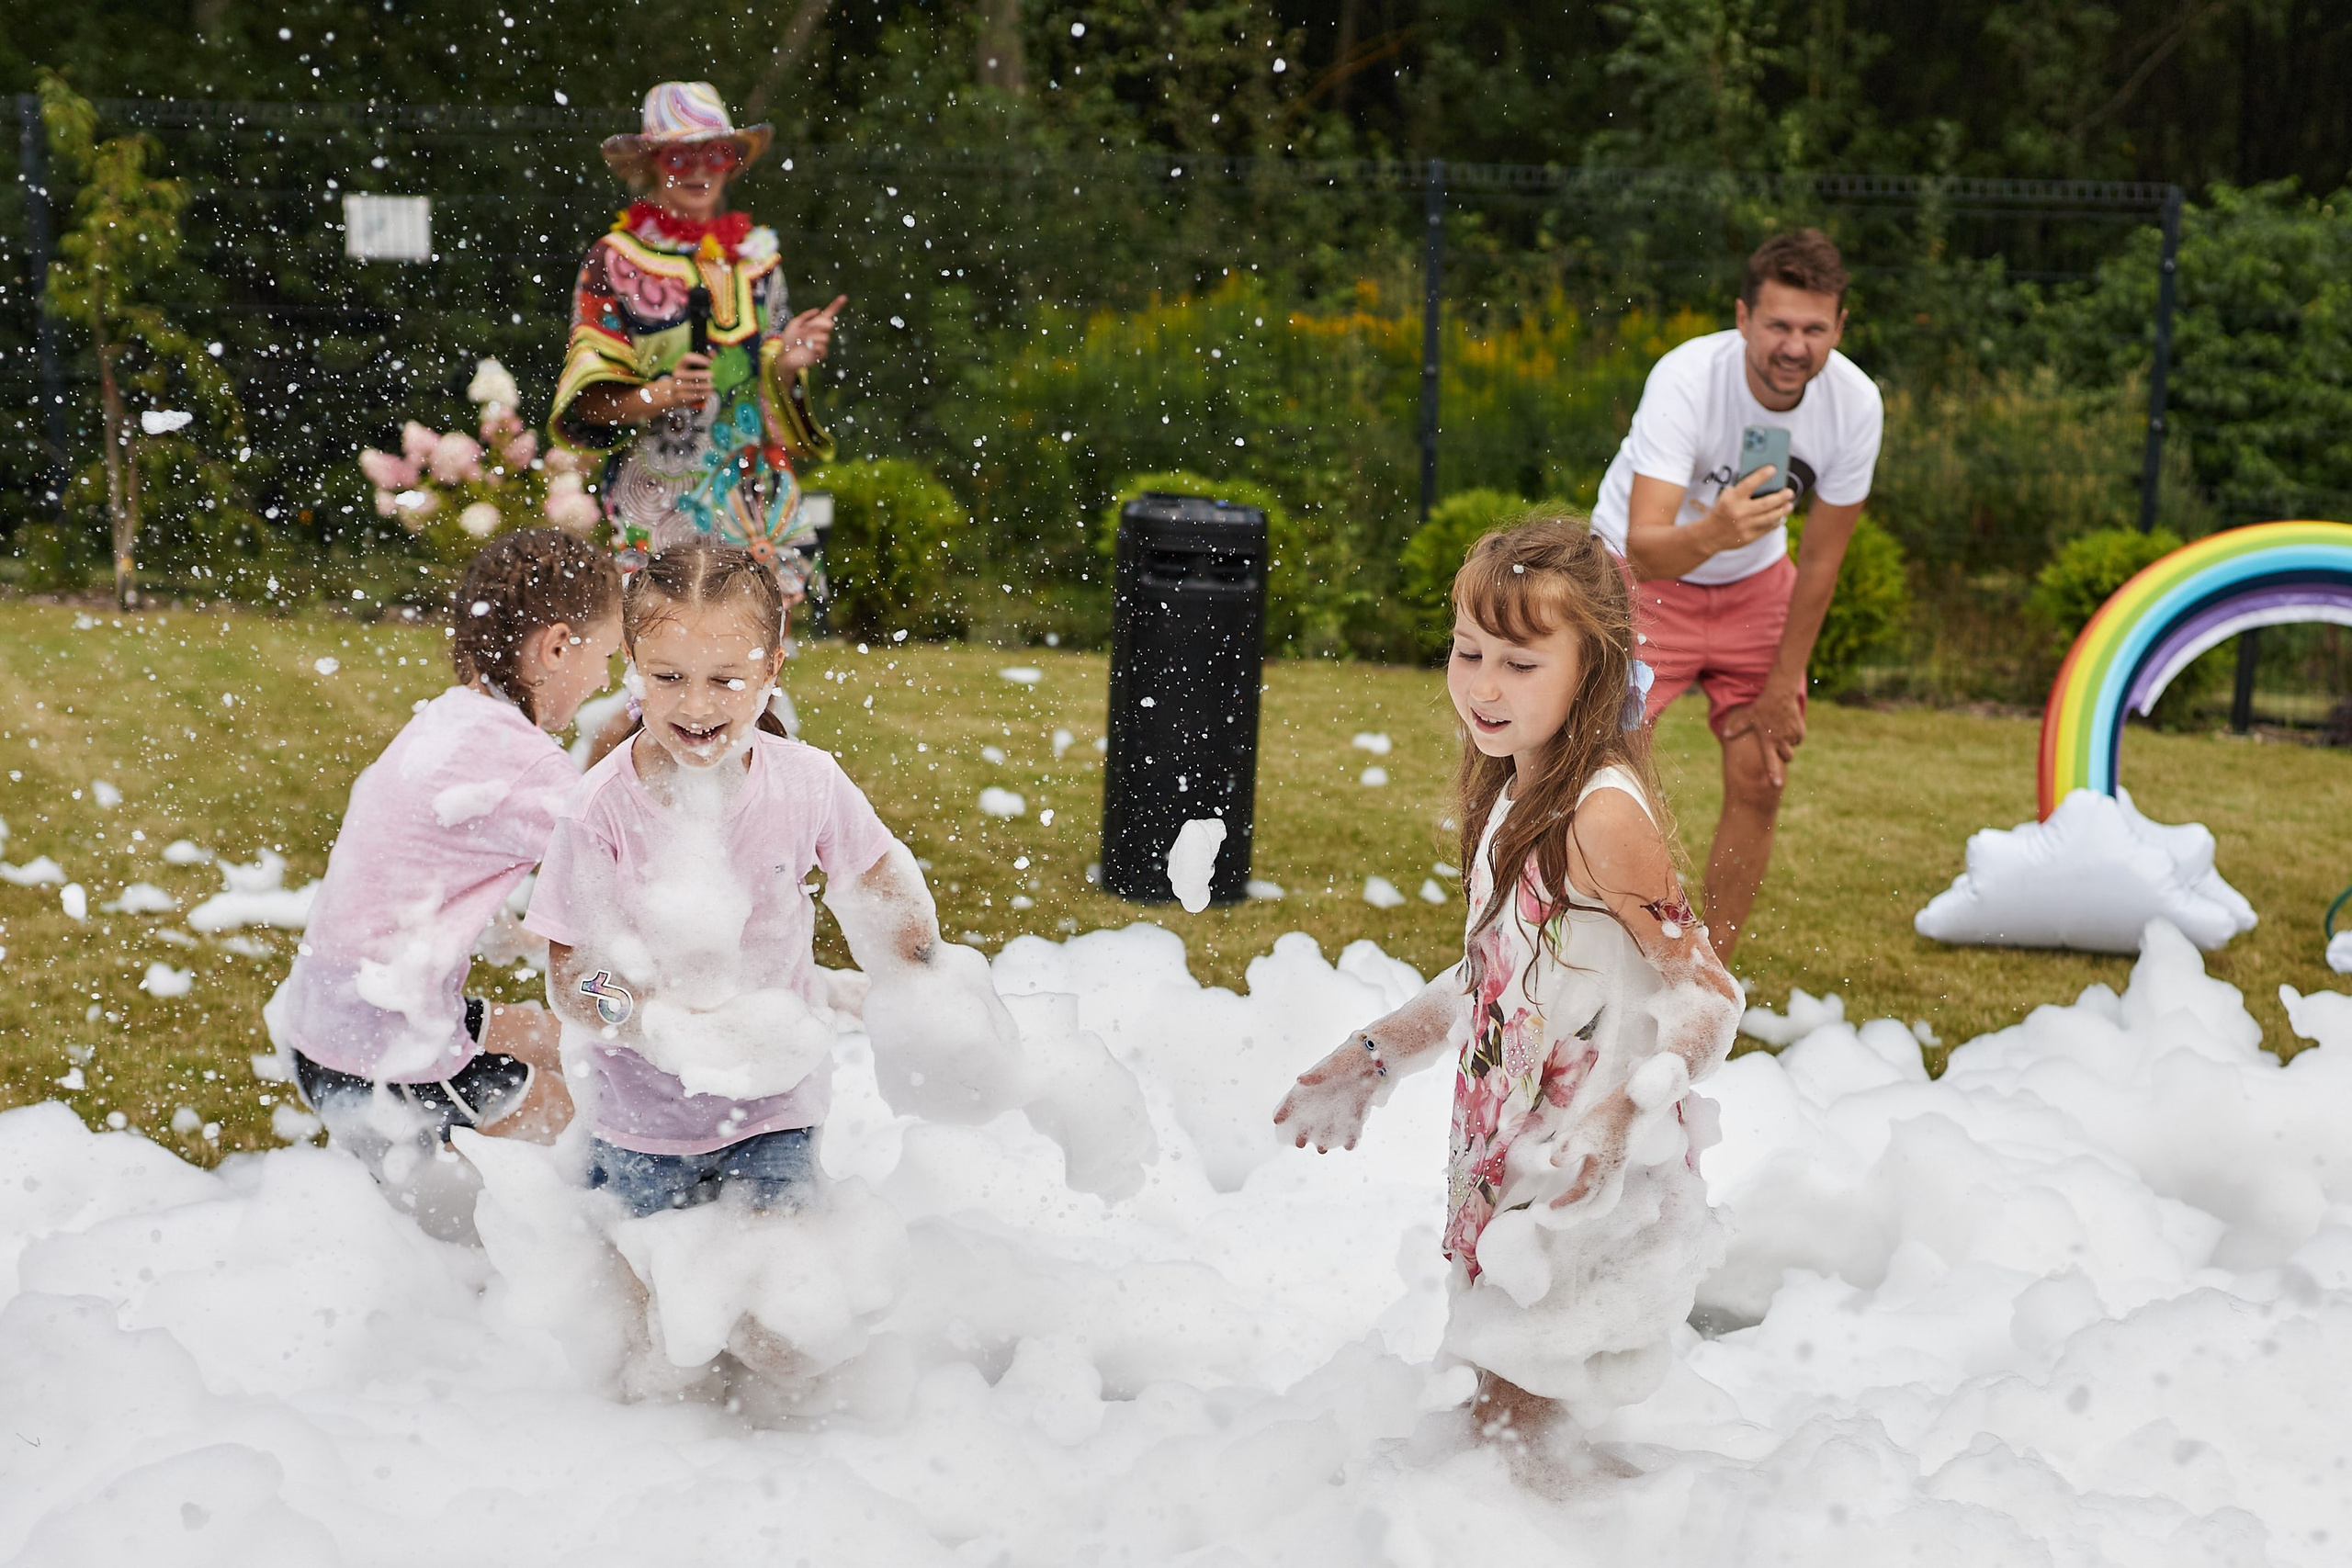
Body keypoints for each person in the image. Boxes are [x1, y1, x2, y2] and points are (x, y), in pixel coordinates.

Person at [1272, 518, 1742, 1467]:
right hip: (1519, 1152)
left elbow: (1709, 997)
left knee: (1518, 1429)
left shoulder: (1602, 816)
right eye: (1468, 651)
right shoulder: (1510, 793)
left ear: (1592, 672)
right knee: (1503, 1418)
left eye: (1521, 663)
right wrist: (1375, 1054)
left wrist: (1612, 1122)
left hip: (1584, 1174)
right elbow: (1498, 973)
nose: (1484, 684)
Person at [525, 542, 944, 1216]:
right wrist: (648, 1022)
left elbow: (883, 890)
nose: (695, 706)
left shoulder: (808, 782)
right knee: (651, 1302)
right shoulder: (599, 809)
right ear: (631, 667)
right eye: (667, 677)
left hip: (777, 1104)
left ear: (771, 670)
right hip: (642, 1125)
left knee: (774, 1289)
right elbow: (576, 977)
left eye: (724, 680)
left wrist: (935, 985)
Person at [265, 530, 623, 1178]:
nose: (604, 677)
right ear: (557, 647)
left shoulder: (453, 718)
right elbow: (621, 873)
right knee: (608, 1129)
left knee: (553, 1035)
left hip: (327, 1025)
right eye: (605, 656)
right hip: (382, 1062)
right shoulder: (526, 767)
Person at [1589, 229, 1883, 959]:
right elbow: (1648, 544)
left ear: (1839, 328)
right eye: (1779, 324)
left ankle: (1705, 979)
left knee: (1763, 770)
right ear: (1743, 317)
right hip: (1640, 580)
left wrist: (1785, 681)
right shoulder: (1688, 378)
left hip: (1755, 587)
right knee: (1606, 772)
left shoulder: (1855, 404)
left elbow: (1819, 560)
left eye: (1815, 329)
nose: (1796, 346)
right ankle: (1610, 953)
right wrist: (1718, 529)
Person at [551, 81, 844, 583]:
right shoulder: (615, 259)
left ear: (732, 162)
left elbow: (770, 393)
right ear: (652, 164)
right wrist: (656, 395)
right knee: (661, 639)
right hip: (656, 495)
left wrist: (787, 363)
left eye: (716, 153)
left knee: (758, 641)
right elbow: (587, 406)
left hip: (751, 492)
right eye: (680, 158)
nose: (701, 169)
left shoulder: (759, 261)